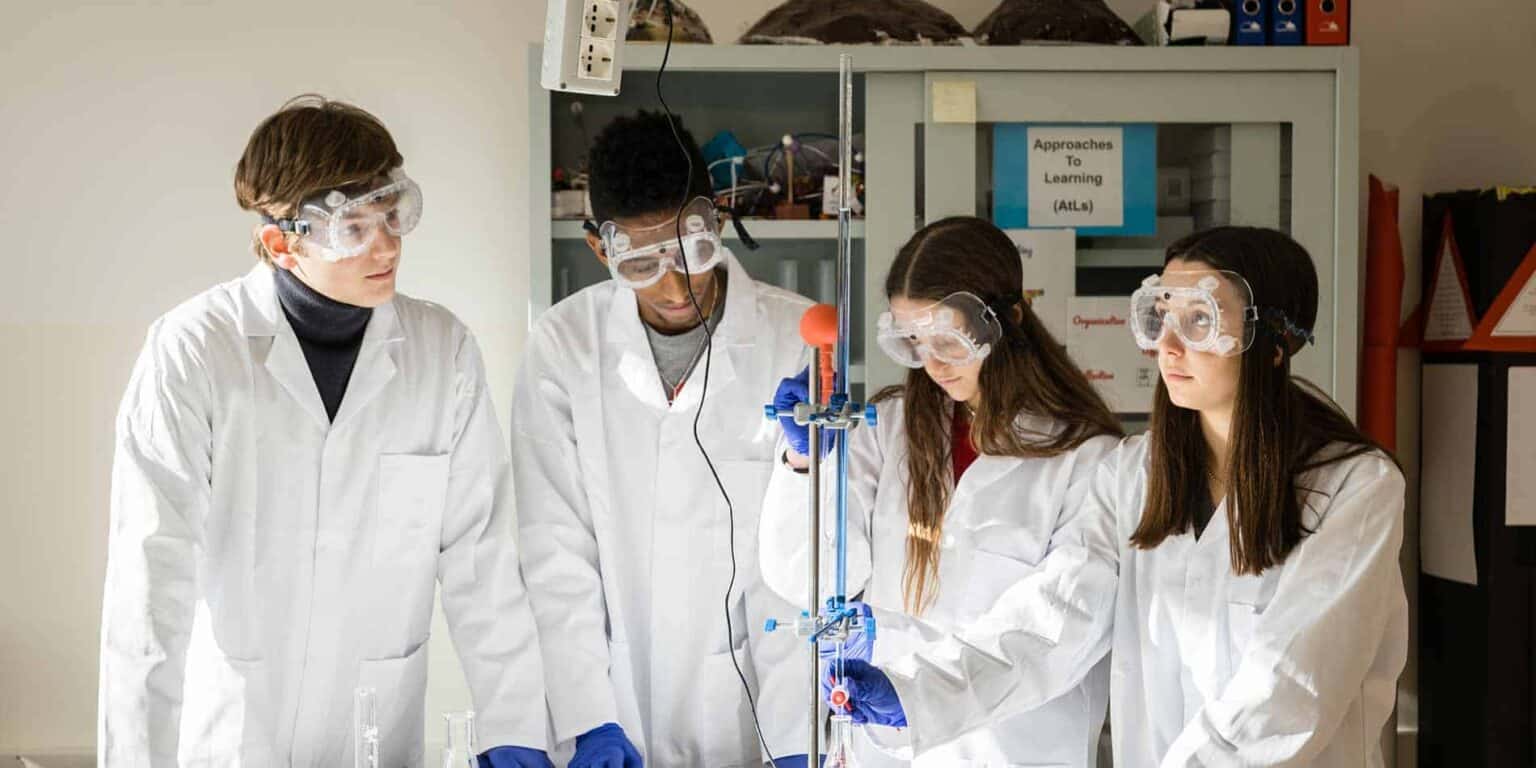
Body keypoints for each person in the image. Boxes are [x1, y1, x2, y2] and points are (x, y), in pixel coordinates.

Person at [834, 227, 1408, 767]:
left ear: (1274, 339)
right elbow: (1053, 619)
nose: (1168, 346)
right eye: (1160, 316)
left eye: (1200, 320)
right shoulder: (1134, 473)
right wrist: (919, 691)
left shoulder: (1354, 489)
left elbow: (1292, 687)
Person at [98, 96, 550, 767]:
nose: (388, 245)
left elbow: (480, 557)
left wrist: (517, 723)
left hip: (376, 729)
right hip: (234, 735)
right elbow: (148, 580)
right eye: (353, 228)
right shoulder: (194, 350)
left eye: (394, 213)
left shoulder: (441, 350)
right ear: (283, 242)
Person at [760, 217, 1124, 767]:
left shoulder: (1086, 460)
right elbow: (804, 579)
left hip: (1012, 751)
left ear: (1009, 319)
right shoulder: (888, 432)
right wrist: (803, 460)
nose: (932, 364)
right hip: (883, 748)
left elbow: (1059, 630)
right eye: (914, 343)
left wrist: (919, 693)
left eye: (949, 340)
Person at [511, 110, 810, 767]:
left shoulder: (795, 341)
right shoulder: (564, 346)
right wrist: (589, 716)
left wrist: (797, 737)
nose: (675, 287)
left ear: (718, 222)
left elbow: (800, 558)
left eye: (690, 252)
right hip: (617, 697)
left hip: (752, 707)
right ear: (600, 248)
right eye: (642, 263)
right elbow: (555, 546)